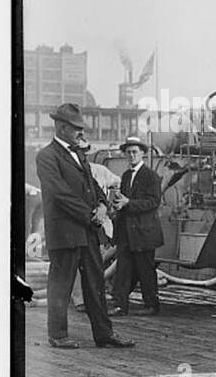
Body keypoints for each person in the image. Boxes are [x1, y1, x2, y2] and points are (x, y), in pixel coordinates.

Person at [34, 103, 134, 349]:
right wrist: (92, 215)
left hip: (86, 231)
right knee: (61, 284)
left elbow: (94, 186)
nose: (81, 132)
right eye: (77, 128)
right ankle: (57, 335)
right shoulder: (46, 157)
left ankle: (104, 334)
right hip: (65, 233)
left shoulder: (79, 155)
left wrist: (102, 204)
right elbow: (59, 194)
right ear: (61, 127)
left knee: (95, 283)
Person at [110, 135, 165, 315]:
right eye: (128, 153)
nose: (131, 155)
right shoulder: (126, 176)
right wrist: (118, 204)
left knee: (146, 270)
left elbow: (153, 202)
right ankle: (120, 305)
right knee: (123, 270)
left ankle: (151, 305)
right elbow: (125, 201)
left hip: (144, 231)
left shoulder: (151, 176)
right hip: (126, 231)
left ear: (142, 153)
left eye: (135, 152)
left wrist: (128, 203)